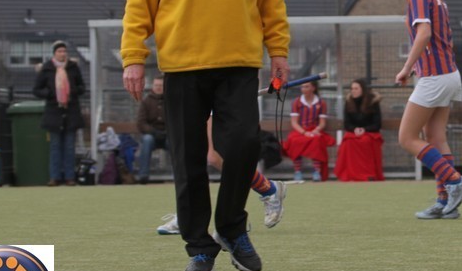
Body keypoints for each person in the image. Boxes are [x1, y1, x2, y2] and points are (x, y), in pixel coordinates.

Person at [121, 0, 290, 271]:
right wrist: (133, 54)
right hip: (182, 62)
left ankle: (232, 227)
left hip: (238, 59)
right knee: (188, 160)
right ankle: (200, 248)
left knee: (244, 145)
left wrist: (278, 49)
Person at [395, 0, 462, 220]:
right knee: (436, 138)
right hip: (449, 74)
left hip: (434, 77)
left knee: (406, 138)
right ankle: (445, 203)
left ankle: (455, 181)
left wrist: (407, 67)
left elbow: (424, 34)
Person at [158, 115, 286, 234]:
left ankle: (264, 191)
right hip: (185, 101)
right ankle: (187, 215)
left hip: (209, 101)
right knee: (188, 154)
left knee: (215, 156)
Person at [33, 40, 86, 187]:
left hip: (71, 112)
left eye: (64, 51)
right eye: (59, 51)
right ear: (54, 53)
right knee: (55, 146)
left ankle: (70, 177)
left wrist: (71, 91)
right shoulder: (46, 69)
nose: (62, 54)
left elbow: (82, 87)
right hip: (53, 112)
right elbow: (36, 90)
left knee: (69, 146)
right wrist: (51, 93)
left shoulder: (73, 68)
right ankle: (54, 177)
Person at [282, 81, 336, 182]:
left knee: (316, 140)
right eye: (302, 87)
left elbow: (322, 123)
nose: (304, 89)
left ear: (313, 88)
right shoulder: (297, 102)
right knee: (294, 141)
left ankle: (317, 172)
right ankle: (297, 172)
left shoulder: (321, 103)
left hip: (314, 130)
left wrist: (315, 130)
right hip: (301, 130)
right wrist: (304, 132)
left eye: (306, 86)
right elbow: (294, 123)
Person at [334, 79, 385, 182]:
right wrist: (355, 129)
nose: (353, 91)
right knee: (348, 142)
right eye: (352, 89)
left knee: (365, 141)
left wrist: (364, 129)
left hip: (370, 133)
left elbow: (377, 124)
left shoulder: (372, 102)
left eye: (356, 88)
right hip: (354, 133)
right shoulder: (349, 102)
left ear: (363, 90)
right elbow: (347, 124)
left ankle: (368, 174)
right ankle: (351, 174)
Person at [135, 75, 168, 184]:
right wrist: (154, 132)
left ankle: (180, 175)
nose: (158, 87)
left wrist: (168, 132)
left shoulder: (171, 100)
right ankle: (143, 175)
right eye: (156, 85)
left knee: (177, 143)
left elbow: (176, 120)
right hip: (151, 135)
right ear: (153, 86)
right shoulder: (146, 101)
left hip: (168, 135)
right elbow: (141, 123)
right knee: (147, 140)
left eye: (161, 85)